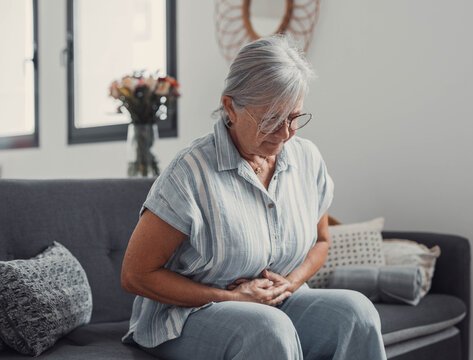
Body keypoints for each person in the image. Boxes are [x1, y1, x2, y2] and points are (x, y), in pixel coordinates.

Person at [121, 35, 387, 360]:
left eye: (294, 117)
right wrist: (231, 299)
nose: (286, 133)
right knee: (268, 328)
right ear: (231, 106)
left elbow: (321, 241)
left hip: (277, 302)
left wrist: (290, 283)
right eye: (272, 120)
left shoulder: (306, 158)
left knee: (357, 313)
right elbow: (136, 275)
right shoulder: (189, 173)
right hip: (187, 315)